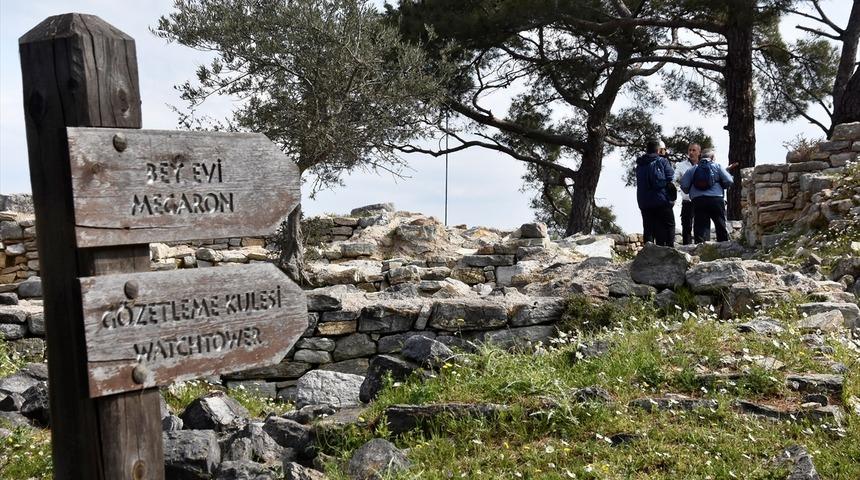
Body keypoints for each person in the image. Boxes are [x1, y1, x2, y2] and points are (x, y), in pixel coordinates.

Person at [679, 149, 734, 243]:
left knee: (700, 226)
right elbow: (729, 180)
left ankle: (701, 249)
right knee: (720, 224)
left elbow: (684, 185)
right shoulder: (717, 166)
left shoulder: (693, 169)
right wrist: (722, 186)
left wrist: (690, 191)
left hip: (698, 200)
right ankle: (724, 246)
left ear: (701, 157)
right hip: (716, 199)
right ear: (712, 158)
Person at [636, 140, 675, 247]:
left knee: (648, 228)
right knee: (668, 225)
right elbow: (670, 176)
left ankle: (648, 253)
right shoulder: (662, 161)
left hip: (644, 201)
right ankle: (668, 250)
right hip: (661, 200)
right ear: (658, 150)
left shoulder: (640, 164)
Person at [673, 143, 701, 245]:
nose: (691, 152)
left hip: (700, 200)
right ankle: (687, 249)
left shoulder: (704, 164)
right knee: (686, 226)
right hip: (687, 200)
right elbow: (673, 178)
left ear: (699, 152)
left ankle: (701, 247)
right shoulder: (681, 166)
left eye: (694, 150)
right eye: (689, 150)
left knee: (700, 225)